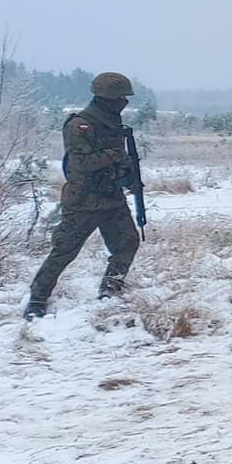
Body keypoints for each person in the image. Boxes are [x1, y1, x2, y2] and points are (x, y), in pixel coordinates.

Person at [24, 72, 143, 318]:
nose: (124, 102)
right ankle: (37, 298)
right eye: (120, 97)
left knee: (128, 244)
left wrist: (128, 175)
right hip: (83, 201)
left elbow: (119, 161)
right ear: (107, 98)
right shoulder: (80, 125)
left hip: (112, 198)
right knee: (64, 251)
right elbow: (80, 163)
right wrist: (113, 155)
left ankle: (110, 289)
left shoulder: (113, 124)